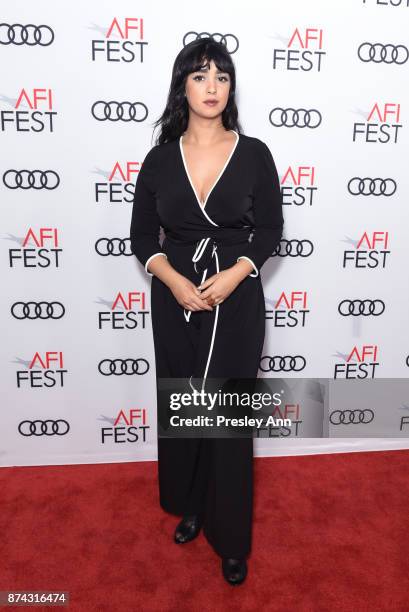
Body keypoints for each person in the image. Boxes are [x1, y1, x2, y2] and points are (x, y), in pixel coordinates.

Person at [129, 37, 284, 585]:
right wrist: (172, 280)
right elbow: (143, 234)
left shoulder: (255, 153)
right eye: (200, 76)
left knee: (228, 414)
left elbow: (269, 229)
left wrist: (236, 273)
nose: (212, 86)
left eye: (221, 76)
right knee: (184, 402)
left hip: (235, 297)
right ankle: (192, 505)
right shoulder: (159, 158)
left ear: (231, 87)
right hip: (175, 298)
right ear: (183, 87)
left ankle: (232, 535)